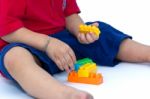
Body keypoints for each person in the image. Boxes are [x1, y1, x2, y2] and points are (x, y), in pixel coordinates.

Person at [0, 0, 150, 99]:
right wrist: (47, 44)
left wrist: (80, 31)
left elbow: (70, 15)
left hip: (64, 41)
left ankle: (146, 53)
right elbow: (7, 31)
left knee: (102, 31)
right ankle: (63, 94)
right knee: (15, 58)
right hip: (27, 43)